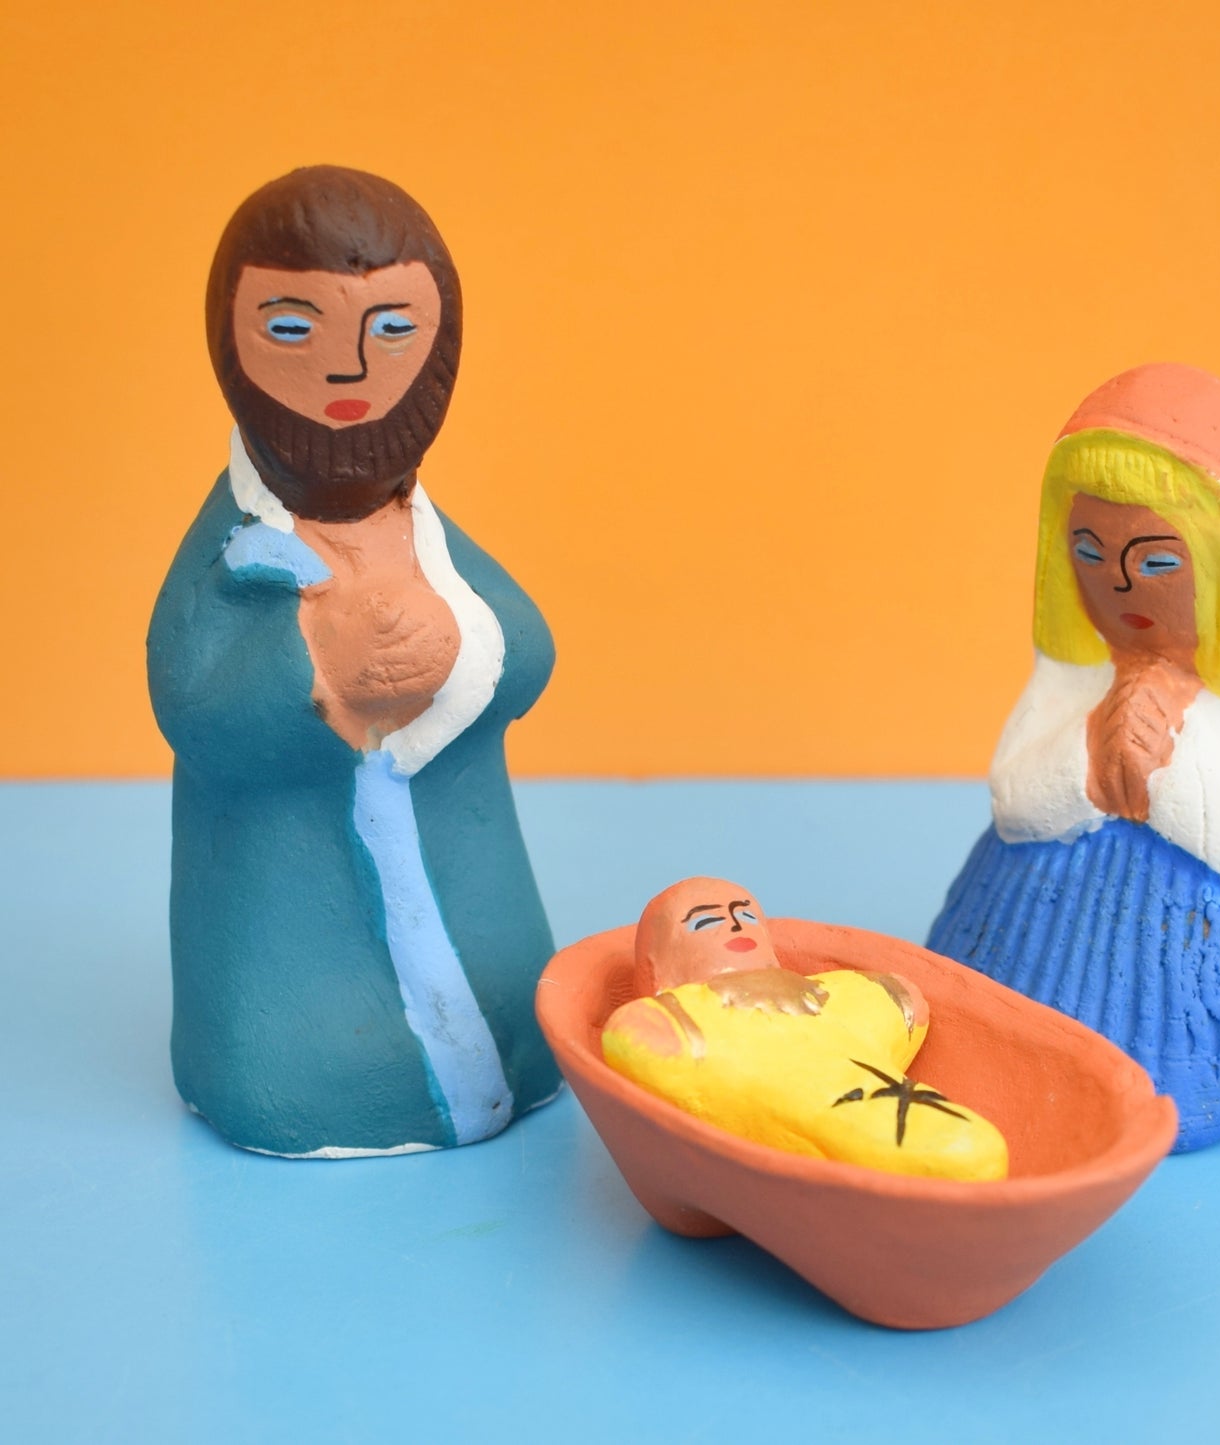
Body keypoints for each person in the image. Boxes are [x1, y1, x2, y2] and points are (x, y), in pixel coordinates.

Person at [148, 167, 559, 1156]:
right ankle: (306, 1083)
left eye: (392, 328)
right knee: (301, 1048)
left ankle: (507, 1059)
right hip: (283, 921)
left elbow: (528, 648)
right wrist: (314, 673)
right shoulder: (229, 557)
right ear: (231, 345)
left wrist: (458, 641)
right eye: (293, 329)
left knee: (503, 1002)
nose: (347, 369)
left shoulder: (431, 537)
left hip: (468, 879)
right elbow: (192, 705)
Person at [927, 363, 1220, 1151]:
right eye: (1088, 552)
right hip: (1038, 944)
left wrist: (1166, 769)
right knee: (1000, 1035)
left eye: (1157, 560)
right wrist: (1089, 756)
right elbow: (1015, 799)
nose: (1120, 581)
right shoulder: (1074, 678)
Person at [604, 878, 1008, 1181]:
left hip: (900, 1105)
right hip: (814, 1131)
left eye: (746, 915)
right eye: (707, 921)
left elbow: (906, 1001)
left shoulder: (847, 992)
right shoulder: (678, 1020)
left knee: (957, 1141)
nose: (735, 926)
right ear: (660, 967)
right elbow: (636, 1038)